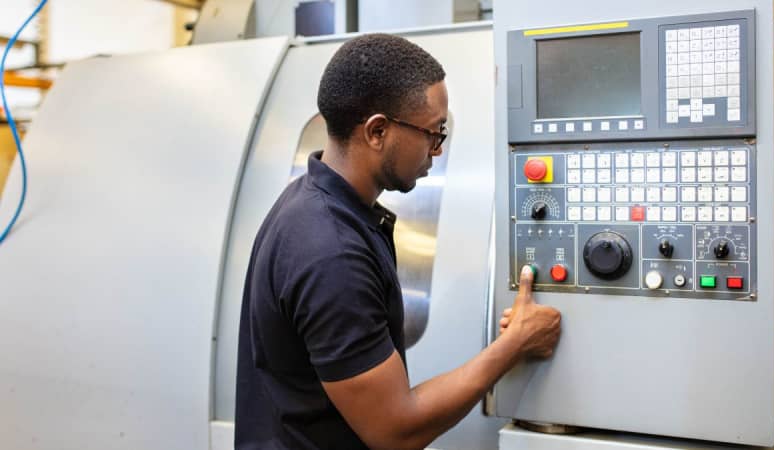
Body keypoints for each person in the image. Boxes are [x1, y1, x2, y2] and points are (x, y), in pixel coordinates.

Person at [234, 33, 562, 450]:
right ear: (377, 132)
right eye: (432, 133)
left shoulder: (310, 201)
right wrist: (515, 344)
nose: (437, 150)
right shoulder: (330, 252)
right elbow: (395, 430)